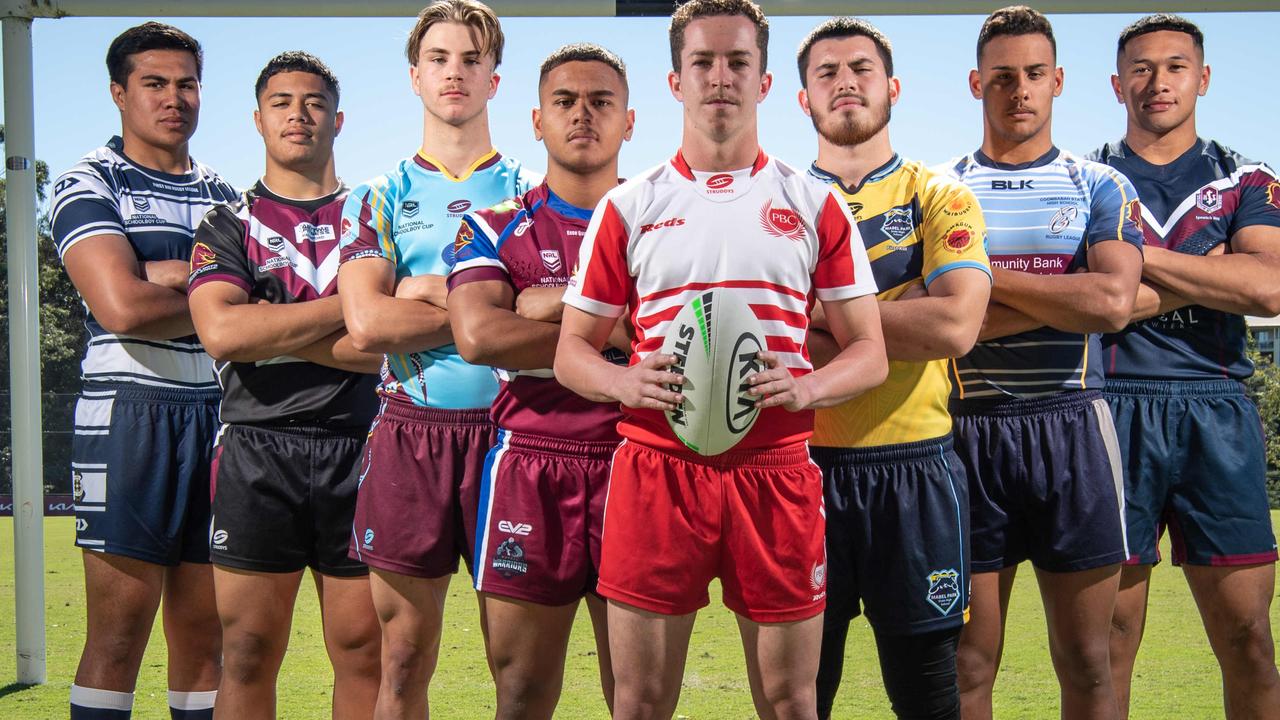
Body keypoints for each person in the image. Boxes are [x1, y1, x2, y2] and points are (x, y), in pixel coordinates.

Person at [554, 2, 887, 718]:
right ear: (676, 80)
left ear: (764, 81)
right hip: (655, 469)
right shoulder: (630, 205)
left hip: (777, 474)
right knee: (638, 701)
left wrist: (810, 385)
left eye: (738, 62)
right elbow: (571, 355)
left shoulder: (815, 203)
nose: (720, 77)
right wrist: (623, 380)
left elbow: (870, 352)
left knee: (792, 700)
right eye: (702, 62)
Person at [336, 2, 538, 717]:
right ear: (415, 77)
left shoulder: (530, 193)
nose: (456, 73)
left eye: (471, 59)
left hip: (516, 439)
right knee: (401, 660)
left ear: (495, 79)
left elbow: (549, 311)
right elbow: (366, 323)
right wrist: (481, 305)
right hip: (410, 433)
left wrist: (419, 290)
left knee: (517, 669)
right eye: (441, 59)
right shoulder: (377, 196)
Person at [944, 7, 1145, 719]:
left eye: (1033, 75)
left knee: (1091, 663)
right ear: (976, 84)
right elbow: (945, 328)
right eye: (1002, 77)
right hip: (967, 433)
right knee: (966, 665)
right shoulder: (939, 191)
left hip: (1074, 429)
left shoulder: (1101, 185)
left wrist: (981, 280)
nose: (1019, 90)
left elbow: (1115, 300)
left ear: (1058, 81)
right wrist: (1070, 295)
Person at [794, 17, 992, 720]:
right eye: (826, 72)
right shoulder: (778, 201)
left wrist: (821, 315)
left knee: (929, 694)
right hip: (802, 471)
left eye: (860, 69)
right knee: (798, 693)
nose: (845, 82)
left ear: (893, 88)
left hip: (915, 471)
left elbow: (954, 324)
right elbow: (766, 339)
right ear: (803, 98)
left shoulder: (938, 194)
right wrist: (895, 307)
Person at [1089, 14, 1280, 719]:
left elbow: (1267, 287)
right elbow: (1095, 305)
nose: (1158, 81)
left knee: (1248, 637)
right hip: (1110, 407)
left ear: (1202, 79)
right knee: (1107, 642)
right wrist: (1212, 269)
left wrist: (1129, 267)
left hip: (1216, 408)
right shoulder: (1087, 182)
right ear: (1117, 84)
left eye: (1175, 66)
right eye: (1141, 67)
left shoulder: (1247, 177)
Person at [185, 52, 383, 720]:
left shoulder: (375, 220)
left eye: (313, 102)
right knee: (245, 649)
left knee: (365, 652)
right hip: (256, 451)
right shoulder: (226, 223)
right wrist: (352, 310)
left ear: (338, 119)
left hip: (361, 447)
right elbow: (223, 336)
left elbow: (386, 345)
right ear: (257, 119)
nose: (297, 115)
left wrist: (267, 324)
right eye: (281, 102)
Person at [50, 22, 237, 720]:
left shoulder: (226, 195)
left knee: (205, 636)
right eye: (154, 84)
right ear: (118, 93)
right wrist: (212, 286)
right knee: (119, 636)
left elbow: (252, 304)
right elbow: (122, 306)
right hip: (129, 415)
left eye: (186, 83)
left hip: (220, 418)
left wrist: (165, 272)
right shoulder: (87, 181)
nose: (173, 98)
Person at [446, 43, 634, 720]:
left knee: (638, 699)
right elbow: (479, 335)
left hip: (637, 462)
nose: (582, 115)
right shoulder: (494, 225)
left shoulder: (664, 225)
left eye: (600, 100)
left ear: (629, 121)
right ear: (537, 120)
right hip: (530, 462)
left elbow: (672, 337)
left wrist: (552, 301)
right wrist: (608, 326)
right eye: (564, 101)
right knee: (521, 694)